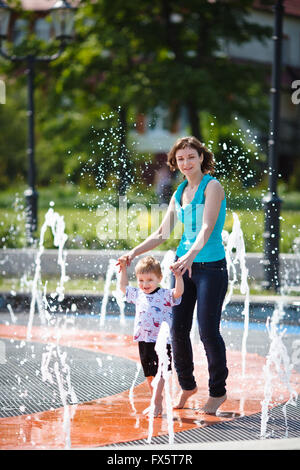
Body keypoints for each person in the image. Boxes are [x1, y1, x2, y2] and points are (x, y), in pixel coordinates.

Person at [117, 136, 228, 415]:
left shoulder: (212, 187)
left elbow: (206, 228)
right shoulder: (179, 193)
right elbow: (162, 233)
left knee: (207, 331)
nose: (186, 163)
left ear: (201, 157)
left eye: (191, 157)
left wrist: (190, 255)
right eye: (180, 159)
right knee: (175, 331)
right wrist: (133, 252)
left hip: (210, 268)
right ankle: (188, 385)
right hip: (182, 269)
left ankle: (218, 392)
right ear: (175, 162)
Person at [117, 255, 184, 417]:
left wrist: (178, 276)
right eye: (140, 280)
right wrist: (124, 269)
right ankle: (156, 397)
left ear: (159, 278)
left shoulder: (165, 294)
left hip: (162, 341)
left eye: (149, 280)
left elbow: (178, 292)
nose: (144, 284)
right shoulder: (138, 294)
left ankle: (156, 401)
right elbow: (123, 286)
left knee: (161, 371)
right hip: (143, 339)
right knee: (149, 372)